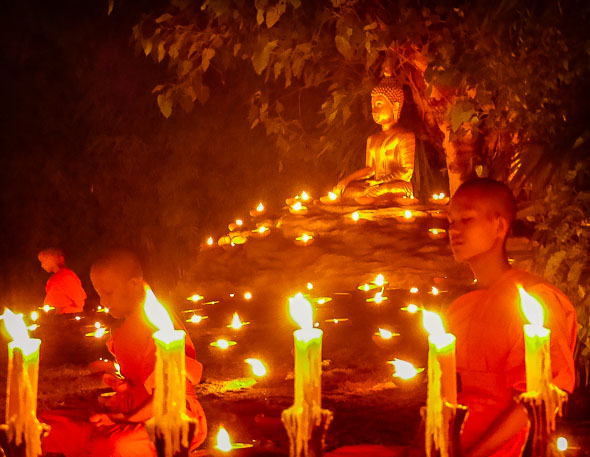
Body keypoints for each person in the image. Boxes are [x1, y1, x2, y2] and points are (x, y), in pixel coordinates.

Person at [444, 178, 577, 457]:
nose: (454, 231)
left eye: (466, 220)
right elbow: (444, 394)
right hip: (451, 441)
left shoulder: (533, 302)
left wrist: (475, 454)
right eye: (450, 221)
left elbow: (543, 394)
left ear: (500, 226)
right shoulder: (460, 307)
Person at [41, 248, 207, 457]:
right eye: (99, 293)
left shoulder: (159, 325)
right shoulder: (128, 326)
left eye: (108, 293)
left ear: (135, 284)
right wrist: (120, 381)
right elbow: (141, 374)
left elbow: (168, 396)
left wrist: (124, 420)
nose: (102, 301)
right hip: (135, 409)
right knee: (49, 423)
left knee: (113, 446)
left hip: (174, 416)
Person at [328, 70, 415, 205]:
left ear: (395, 106)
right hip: (376, 185)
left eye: (379, 104)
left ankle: (369, 196)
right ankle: (367, 195)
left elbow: (406, 172)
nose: (374, 110)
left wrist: (381, 181)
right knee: (348, 191)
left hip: (394, 186)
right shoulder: (372, 139)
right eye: (373, 105)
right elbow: (370, 169)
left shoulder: (405, 136)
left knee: (383, 190)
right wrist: (346, 180)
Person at [38, 247, 87, 314]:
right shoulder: (55, 278)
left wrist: (68, 311)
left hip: (66, 318)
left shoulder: (66, 277)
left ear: (51, 259)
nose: (42, 265)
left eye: (43, 261)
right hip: (55, 317)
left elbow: (79, 300)